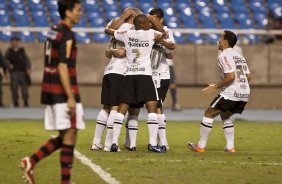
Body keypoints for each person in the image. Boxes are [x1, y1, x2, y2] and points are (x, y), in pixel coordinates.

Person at [20, 1, 84, 184]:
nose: (80, 14)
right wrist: (71, 97)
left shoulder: (53, 30)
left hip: (50, 87)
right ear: (68, 12)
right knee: (70, 133)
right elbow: (62, 65)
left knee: (67, 134)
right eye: (78, 10)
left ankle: (30, 162)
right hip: (63, 90)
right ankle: (64, 181)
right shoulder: (67, 33)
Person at [105, 14, 174, 153]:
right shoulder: (151, 33)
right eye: (148, 22)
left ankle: (113, 143)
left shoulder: (127, 33)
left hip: (129, 75)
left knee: (122, 109)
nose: (150, 23)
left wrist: (111, 27)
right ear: (143, 24)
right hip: (145, 75)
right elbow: (169, 41)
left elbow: (109, 31)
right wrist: (159, 33)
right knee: (152, 108)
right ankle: (152, 144)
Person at [187, 30, 251, 153]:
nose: (218, 41)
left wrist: (215, 86)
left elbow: (230, 76)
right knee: (225, 115)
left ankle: (200, 146)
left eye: (220, 38)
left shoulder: (223, 56)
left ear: (225, 42)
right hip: (244, 93)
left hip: (231, 93)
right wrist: (240, 86)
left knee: (208, 113)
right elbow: (248, 77)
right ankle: (230, 147)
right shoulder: (239, 56)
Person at [90, 8, 140, 152]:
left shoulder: (115, 26)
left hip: (109, 71)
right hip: (121, 72)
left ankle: (96, 142)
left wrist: (112, 51)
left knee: (106, 107)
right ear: (133, 17)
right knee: (116, 108)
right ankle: (108, 144)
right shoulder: (131, 31)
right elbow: (126, 52)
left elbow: (109, 50)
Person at [4, 36, 31, 107]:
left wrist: (28, 67)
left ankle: (26, 102)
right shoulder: (9, 51)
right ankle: (15, 102)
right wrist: (9, 65)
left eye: (16, 41)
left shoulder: (22, 50)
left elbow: (27, 60)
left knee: (25, 89)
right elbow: (4, 61)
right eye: (14, 41)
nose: (15, 43)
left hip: (23, 72)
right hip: (14, 73)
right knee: (14, 89)